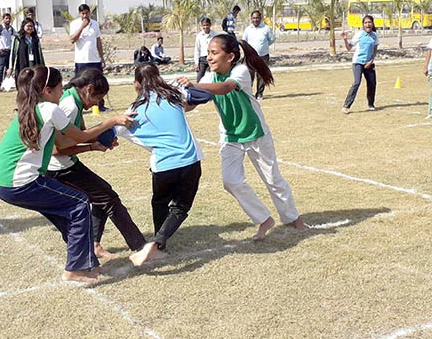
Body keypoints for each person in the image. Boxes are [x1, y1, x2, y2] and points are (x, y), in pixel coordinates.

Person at [0, 65, 136, 283]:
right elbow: (79, 137)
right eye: (60, 88)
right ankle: (74, 269)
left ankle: (86, 262)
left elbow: (65, 141)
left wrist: (94, 144)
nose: (63, 91)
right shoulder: (51, 109)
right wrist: (111, 122)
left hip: (1, 181)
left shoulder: (32, 106)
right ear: (47, 90)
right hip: (20, 181)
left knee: (66, 213)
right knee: (79, 203)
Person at [177, 34, 305, 241]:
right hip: (230, 137)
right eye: (208, 53)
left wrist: (194, 85)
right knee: (230, 181)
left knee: (273, 179)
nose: (209, 57)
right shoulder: (209, 77)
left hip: (256, 134)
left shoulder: (241, 71)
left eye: (214, 53)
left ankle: (293, 218)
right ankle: (264, 219)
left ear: (230, 57)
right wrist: (176, 102)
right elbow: (192, 103)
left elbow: (226, 87)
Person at [46, 68, 147, 259]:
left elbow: (79, 135)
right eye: (98, 98)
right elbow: (56, 149)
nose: (96, 103)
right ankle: (141, 247)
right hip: (58, 169)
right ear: (89, 89)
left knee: (103, 195)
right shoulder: (70, 106)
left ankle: (94, 244)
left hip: (66, 164)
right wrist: (107, 127)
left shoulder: (73, 99)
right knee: (109, 199)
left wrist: (99, 140)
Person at [116, 63, 203, 266]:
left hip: (163, 166)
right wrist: (190, 87)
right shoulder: (174, 95)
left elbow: (112, 133)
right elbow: (203, 96)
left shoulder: (134, 109)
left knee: (159, 203)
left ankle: (158, 245)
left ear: (136, 84)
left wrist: (104, 133)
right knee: (180, 208)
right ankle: (157, 243)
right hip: (190, 162)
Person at [69, 4, 110, 112]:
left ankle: (99, 105)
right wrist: (82, 27)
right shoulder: (74, 24)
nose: (85, 15)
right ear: (79, 14)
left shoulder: (95, 24)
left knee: (98, 83)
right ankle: (79, 105)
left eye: (86, 13)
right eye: (82, 13)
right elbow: (72, 39)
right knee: (80, 84)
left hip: (94, 59)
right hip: (81, 60)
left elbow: (98, 41)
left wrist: (101, 57)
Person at [341, 15, 379, 113]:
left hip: (369, 63)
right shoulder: (359, 35)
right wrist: (345, 39)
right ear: (363, 24)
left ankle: (371, 104)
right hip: (358, 62)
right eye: (365, 23)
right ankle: (346, 106)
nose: (367, 24)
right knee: (357, 82)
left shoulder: (375, 36)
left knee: (372, 83)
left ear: (372, 24)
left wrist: (371, 61)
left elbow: (375, 50)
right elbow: (349, 48)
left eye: (369, 22)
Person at [242, 10, 275, 101]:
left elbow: (271, 39)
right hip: (250, 57)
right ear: (251, 18)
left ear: (260, 18)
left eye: (257, 18)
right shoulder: (248, 29)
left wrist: (263, 46)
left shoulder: (266, 28)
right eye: (254, 18)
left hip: (263, 56)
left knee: (261, 75)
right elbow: (244, 41)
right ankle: (249, 94)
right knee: (249, 75)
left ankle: (259, 94)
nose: (255, 20)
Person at [7, 17, 44, 86]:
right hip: (22, 65)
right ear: (23, 27)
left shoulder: (35, 39)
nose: (30, 28)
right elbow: (13, 54)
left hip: (34, 64)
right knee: (23, 84)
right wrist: (10, 67)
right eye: (28, 26)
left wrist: (42, 66)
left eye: (31, 26)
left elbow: (40, 53)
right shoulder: (18, 38)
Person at [0, 13, 15, 91]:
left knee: (9, 69)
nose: (8, 20)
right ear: (3, 19)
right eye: (6, 18)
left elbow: (16, 36)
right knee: (1, 68)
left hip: (9, 51)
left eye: (9, 18)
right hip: (2, 51)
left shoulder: (11, 29)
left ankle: (6, 85)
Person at [194, 17, 218, 82]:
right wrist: (196, 63)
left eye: (207, 25)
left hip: (212, 58)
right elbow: (197, 49)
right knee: (200, 77)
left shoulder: (215, 35)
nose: (205, 27)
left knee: (214, 76)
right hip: (203, 59)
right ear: (201, 26)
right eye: (204, 25)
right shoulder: (199, 36)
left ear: (210, 25)